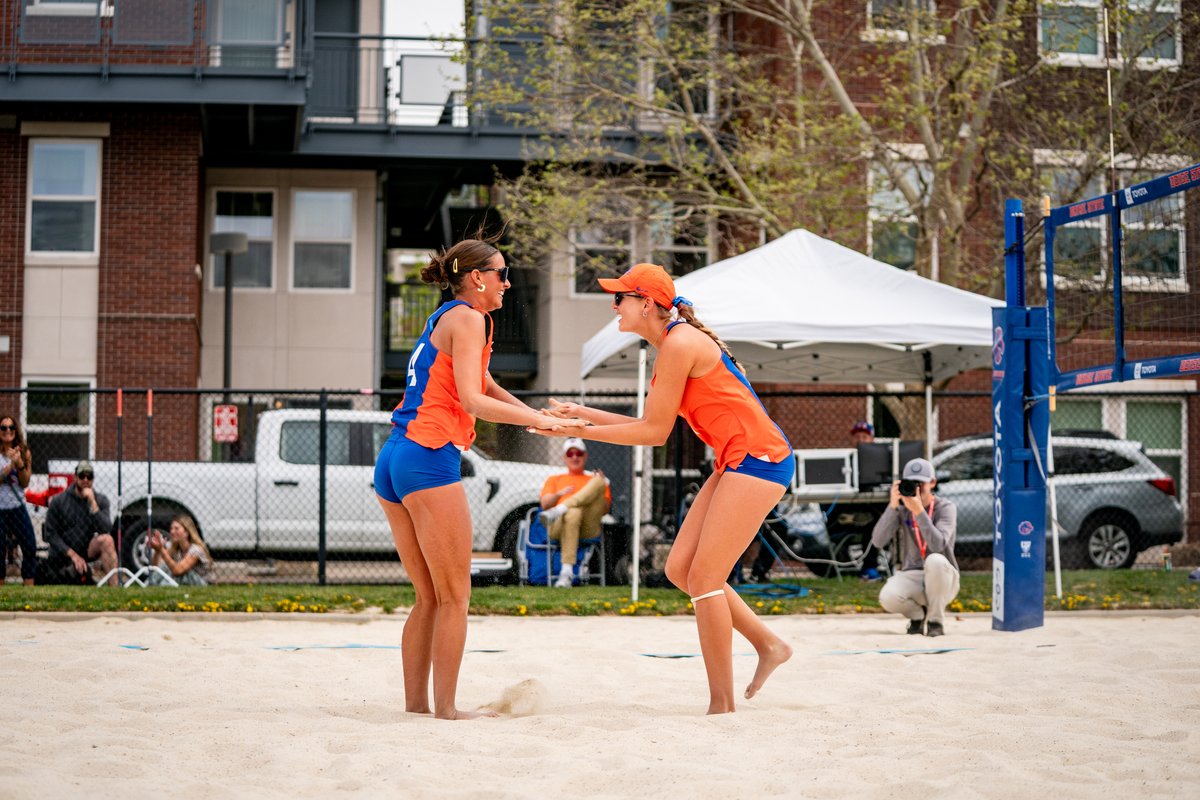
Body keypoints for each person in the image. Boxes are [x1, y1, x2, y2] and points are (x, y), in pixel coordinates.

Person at [541, 263, 795, 714]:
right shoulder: (673, 344)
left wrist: (575, 429)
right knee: (681, 570)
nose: (613, 304)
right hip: (738, 460)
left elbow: (654, 434)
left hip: (760, 459)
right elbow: (647, 424)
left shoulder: (679, 344)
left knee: (705, 579)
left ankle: (722, 705)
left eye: (620, 297)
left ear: (646, 304)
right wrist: (579, 414)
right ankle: (769, 644)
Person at [373, 234, 586, 721]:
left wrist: (532, 415)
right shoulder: (470, 318)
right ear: (477, 278)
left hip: (395, 457)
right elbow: (472, 400)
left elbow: (484, 383)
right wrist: (549, 423)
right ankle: (447, 710)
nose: (508, 283)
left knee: (429, 597)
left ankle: (417, 706)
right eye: (502, 274)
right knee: (455, 598)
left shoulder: (446, 317)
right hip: (428, 456)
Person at [869, 457, 959, 637]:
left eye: (921, 483)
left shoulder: (945, 508)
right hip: (914, 575)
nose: (916, 489)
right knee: (888, 597)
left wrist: (919, 512)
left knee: (935, 561)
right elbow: (878, 541)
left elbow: (938, 544)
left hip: (944, 578)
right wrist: (892, 506)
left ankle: (935, 622)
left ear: (932, 483)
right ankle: (918, 617)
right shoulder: (902, 509)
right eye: (912, 483)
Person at [537, 437, 611, 587]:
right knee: (573, 513)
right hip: (558, 526)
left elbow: (604, 510)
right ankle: (566, 572)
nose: (575, 457)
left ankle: (562, 508)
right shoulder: (555, 479)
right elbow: (544, 505)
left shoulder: (593, 479)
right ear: (564, 458)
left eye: (579, 453)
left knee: (600, 481)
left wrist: (597, 490)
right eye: (570, 454)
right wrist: (559, 494)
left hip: (588, 526)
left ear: (585, 456)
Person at [40, 460, 117, 586]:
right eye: (82, 476)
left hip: (87, 549)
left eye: (89, 476)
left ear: (93, 479)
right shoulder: (59, 501)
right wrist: (72, 555)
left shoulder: (100, 500)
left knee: (107, 540)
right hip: (63, 552)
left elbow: (105, 529)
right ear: (75, 478)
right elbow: (50, 534)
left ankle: (115, 589)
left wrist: (93, 504)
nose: (85, 480)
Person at [0, 414, 36, 585]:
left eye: (11, 428)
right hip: (0, 508)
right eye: (3, 428)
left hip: (17, 506)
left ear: (16, 431)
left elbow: (25, 481)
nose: (8, 431)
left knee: (29, 545)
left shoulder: (24, 451)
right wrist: (10, 467)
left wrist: (20, 463)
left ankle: (28, 586)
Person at [147, 515, 213, 586]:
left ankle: (158, 588)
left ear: (187, 532)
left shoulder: (196, 550)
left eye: (176, 528)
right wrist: (157, 551)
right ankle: (150, 586)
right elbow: (157, 568)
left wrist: (162, 550)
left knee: (181, 572)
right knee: (166, 566)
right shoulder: (175, 550)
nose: (172, 531)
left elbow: (178, 571)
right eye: (171, 528)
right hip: (183, 581)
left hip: (201, 583)